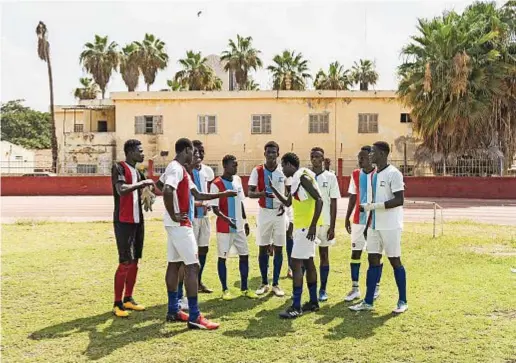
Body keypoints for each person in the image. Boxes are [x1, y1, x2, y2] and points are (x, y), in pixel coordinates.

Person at [161, 138, 237, 330]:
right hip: (181, 224)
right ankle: (195, 316)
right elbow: (167, 189)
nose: (195, 156)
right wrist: (174, 214)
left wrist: (223, 194)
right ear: (186, 150)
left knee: (174, 263)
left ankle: (173, 310)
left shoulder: (182, 171)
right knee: (193, 266)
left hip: (175, 225)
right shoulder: (176, 168)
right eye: (193, 152)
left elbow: (200, 195)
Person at [349, 141, 408, 314]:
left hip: (390, 226)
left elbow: (399, 200)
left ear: (382, 154)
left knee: (394, 260)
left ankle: (402, 300)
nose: (370, 156)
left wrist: (374, 206)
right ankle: (368, 301)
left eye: (373, 152)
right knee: (373, 260)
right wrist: (368, 222)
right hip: (374, 225)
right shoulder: (374, 174)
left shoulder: (394, 174)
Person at [269, 152, 323, 319]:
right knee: (308, 262)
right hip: (303, 227)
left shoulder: (303, 177)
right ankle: (313, 302)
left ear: (289, 164)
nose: (282, 169)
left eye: (283, 166)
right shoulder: (296, 180)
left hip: (306, 228)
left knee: (296, 263)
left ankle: (296, 306)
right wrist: (273, 190)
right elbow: (287, 203)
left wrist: (313, 225)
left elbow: (319, 199)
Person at [111, 139, 155, 318]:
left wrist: (151, 192)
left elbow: (152, 187)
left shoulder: (138, 172)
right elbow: (121, 189)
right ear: (130, 152)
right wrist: (142, 184)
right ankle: (117, 303)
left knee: (135, 260)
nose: (142, 154)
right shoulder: (119, 167)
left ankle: (128, 298)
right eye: (140, 151)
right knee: (125, 262)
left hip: (138, 221)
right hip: (123, 221)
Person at [210, 155, 258, 300]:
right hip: (224, 228)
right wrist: (227, 219)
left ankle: (244, 288)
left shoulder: (237, 180)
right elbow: (214, 208)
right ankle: (225, 289)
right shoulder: (216, 184)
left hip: (239, 228)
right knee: (223, 258)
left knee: (244, 255)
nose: (236, 167)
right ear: (225, 166)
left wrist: (245, 220)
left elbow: (241, 202)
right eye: (233, 165)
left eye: (237, 165)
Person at [248, 141, 291, 297]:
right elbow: (250, 193)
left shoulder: (283, 171)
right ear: (264, 154)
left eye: (274, 152)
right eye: (269, 152)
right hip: (264, 212)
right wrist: (262, 194)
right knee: (263, 247)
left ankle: (276, 284)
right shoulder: (257, 170)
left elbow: (289, 193)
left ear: (278, 154)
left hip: (280, 213)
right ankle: (264, 282)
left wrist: (284, 206)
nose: (271, 155)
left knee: (279, 247)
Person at [344, 146, 382, 302]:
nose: (360, 160)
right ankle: (355, 288)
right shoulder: (355, 174)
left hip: (375, 220)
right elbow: (353, 197)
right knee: (355, 253)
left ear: (371, 157)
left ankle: (376, 287)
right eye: (359, 158)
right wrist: (347, 217)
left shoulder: (379, 174)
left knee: (375, 255)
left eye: (363, 157)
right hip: (358, 221)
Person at [309, 147, 341, 302]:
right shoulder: (306, 176)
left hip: (325, 222)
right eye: (312, 156)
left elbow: (334, 202)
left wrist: (333, 226)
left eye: (318, 157)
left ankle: (323, 289)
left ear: (323, 159)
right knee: (307, 257)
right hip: (309, 224)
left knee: (324, 255)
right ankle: (309, 288)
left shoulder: (330, 177)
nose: (315, 159)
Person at [191, 140, 215, 294]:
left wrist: (210, 204)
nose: (199, 154)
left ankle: (199, 281)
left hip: (205, 217)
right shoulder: (185, 171)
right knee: (190, 251)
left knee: (203, 249)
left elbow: (209, 190)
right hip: (191, 217)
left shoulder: (208, 171)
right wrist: (197, 204)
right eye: (195, 151)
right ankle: (190, 283)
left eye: (201, 151)